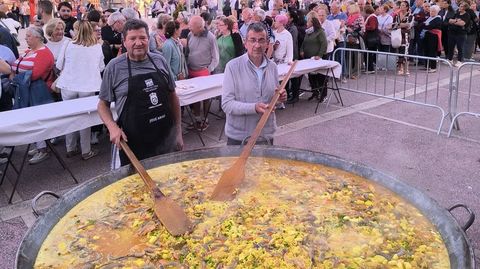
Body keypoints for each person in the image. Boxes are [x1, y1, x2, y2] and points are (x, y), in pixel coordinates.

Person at [98, 19, 183, 166]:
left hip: (165, 137)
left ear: (148, 40)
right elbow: (102, 105)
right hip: (134, 143)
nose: (138, 43)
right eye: (132, 38)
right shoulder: (114, 67)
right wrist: (112, 127)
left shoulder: (160, 61)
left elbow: (172, 96)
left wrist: (178, 132)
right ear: (124, 42)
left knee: (171, 182)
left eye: (142, 38)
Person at [222, 22, 287, 146]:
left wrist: (280, 99)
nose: (257, 45)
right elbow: (227, 104)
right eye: (252, 40)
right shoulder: (233, 67)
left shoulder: (272, 67)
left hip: (265, 136)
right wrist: (254, 108)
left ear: (267, 44)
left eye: (261, 40)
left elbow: (272, 101)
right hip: (240, 137)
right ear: (245, 43)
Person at [56, 21, 104, 160]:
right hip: (87, 85)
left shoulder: (68, 44)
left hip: (68, 84)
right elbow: (101, 67)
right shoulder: (97, 46)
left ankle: (70, 147)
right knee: (85, 119)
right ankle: (86, 150)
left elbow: (59, 65)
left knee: (69, 117)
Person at [10, 26, 55, 164]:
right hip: (27, 90)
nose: (26, 38)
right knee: (31, 119)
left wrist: (14, 76)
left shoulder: (44, 53)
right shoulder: (30, 51)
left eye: (28, 36)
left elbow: (34, 75)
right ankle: (39, 146)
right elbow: (16, 67)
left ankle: (43, 149)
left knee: (37, 120)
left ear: (38, 37)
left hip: (37, 91)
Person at [186, 15, 219, 131]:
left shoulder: (211, 38)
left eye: (192, 28)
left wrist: (208, 69)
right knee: (194, 98)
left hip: (204, 72)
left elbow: (216, 58)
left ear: (200, 27)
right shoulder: (190, 35)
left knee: (205, 98)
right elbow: (188, 52)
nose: (189, 30)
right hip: (192, 70)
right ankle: (196, 119)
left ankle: (205, 119)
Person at [301, 12, 327, 101]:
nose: (306, 23)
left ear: (312, 23)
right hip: (309, 58)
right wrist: (301, 50)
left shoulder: (320, 32)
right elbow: (304, 42)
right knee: (311, 77)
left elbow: (324, 44)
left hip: (317, 58)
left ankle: (323, 94)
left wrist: (319, 55)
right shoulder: (308, 32)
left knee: (320, 77)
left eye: (308, 22)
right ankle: (315, 93)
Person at [392, 1, 413, 75]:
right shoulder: (397, 15)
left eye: (403, 5)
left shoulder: (410, 15)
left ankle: (406, 69)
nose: (401, 7)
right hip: (398, 35)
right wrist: (400, 25)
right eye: (400, 5)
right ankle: (400, 68)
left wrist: (399, 25)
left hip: (406, 36)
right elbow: (393, 24)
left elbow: (409, 25)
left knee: (405, 51)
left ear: (407, 7)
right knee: (399, 51)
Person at [447, 1, 471, 66]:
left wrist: (454, 21)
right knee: (451, 47)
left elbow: (462, 23)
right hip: (452, 33)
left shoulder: (467, 15)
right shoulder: (457, 13)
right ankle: (450, 59)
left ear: (465, 8)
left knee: (460, 47)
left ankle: (459, 61)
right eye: (459, 6)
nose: (459, 7)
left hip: (461, 34)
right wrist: (457, 21)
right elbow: (449, 20)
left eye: (461, 6)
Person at [421, 4, 442, 72]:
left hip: (433, 36)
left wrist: (426, 25)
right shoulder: (429, 18)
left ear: (436, 12)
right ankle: (427, 66)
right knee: (426, 50)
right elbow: (422, 25)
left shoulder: (438, 18)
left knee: (432, 51)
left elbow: (431, 26)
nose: (431, 12)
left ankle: (433, 67)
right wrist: (425, 25)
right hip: (427, 35)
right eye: (431, 11)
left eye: (433, 11)